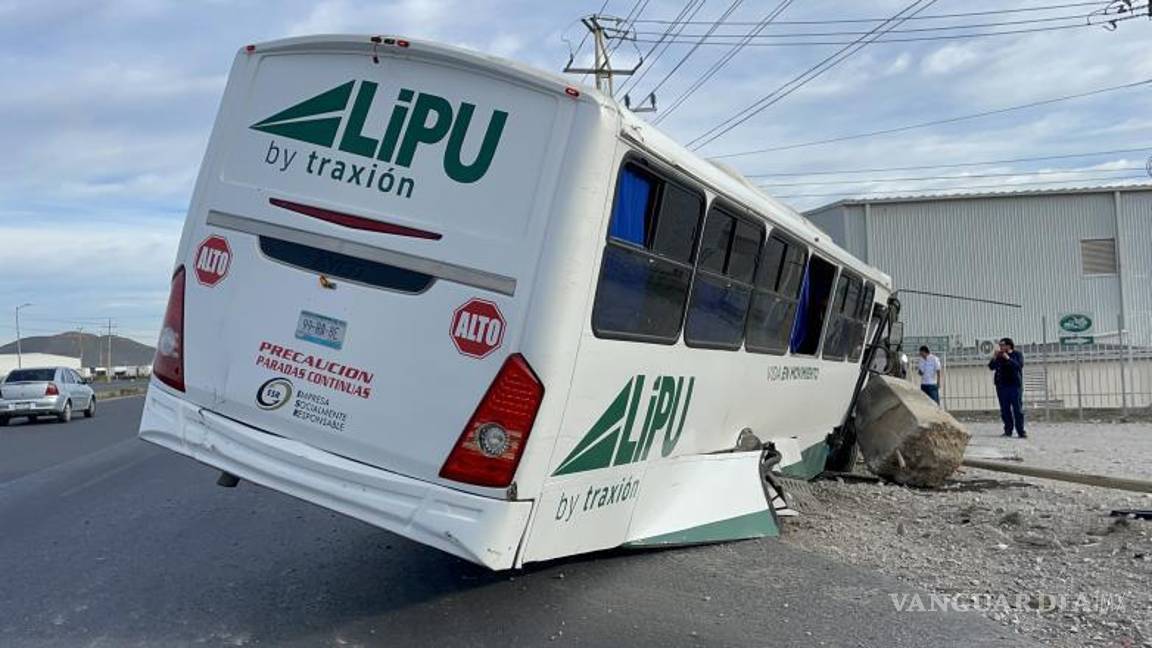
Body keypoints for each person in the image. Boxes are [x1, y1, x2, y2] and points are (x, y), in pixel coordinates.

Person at [988, 337, 1026, 438]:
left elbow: (1019, 366)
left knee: (1017, 409)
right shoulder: (999, 356)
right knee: (1005, 410)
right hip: (1002, 386)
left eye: (1002, 345)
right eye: (1000, 345)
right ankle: (1008, 430)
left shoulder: (1017, 354)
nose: (1000, 347)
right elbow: (991, 367)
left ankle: (1021, 431)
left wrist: (1008, 358)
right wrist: (994, 357)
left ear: (1009, 345)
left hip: (1014, 386)